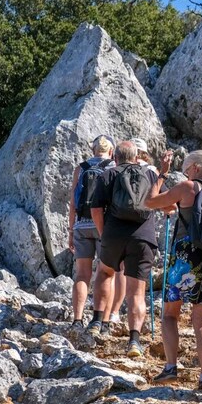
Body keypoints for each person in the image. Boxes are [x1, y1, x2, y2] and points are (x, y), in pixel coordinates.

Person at [145, 150, 202, 392]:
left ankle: (171, 367)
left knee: (170, 314)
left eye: (184, 168)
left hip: (186, 256)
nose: (184, 172)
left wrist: (161, 174)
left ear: (194, 168)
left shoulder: (187, 187)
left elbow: (150, 201)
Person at [87, 141, 164, 358]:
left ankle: (96, 321)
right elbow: (165, 204)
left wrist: (104, 234)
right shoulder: (150, 175)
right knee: (137, 292)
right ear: (137, 156)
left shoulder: (108, 175)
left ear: (115, 156)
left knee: (105, 273)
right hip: (143, 238)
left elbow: (95, 208)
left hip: (114, 234)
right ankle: (134, 342)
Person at [68, 135, 117, 327]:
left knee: (82, 275)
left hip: (82, 226)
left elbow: (73, 203)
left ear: (93, 150)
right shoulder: (113, 167)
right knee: (106, 274)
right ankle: (102, 321)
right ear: (111, 151)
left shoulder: (80, 169)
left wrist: (71, 230)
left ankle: (77, 319)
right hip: (104, 226)